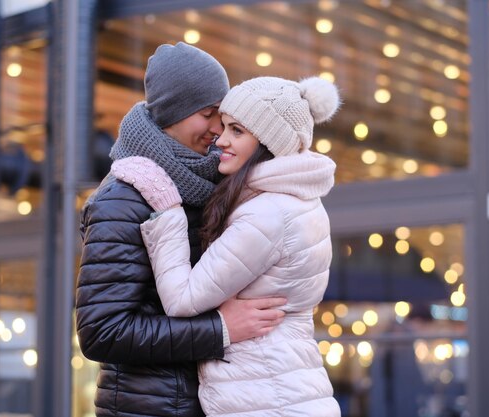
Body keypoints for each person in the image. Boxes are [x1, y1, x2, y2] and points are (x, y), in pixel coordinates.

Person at [75, 43, 286, 417]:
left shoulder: (209, 185)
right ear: (174, 111)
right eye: (208, 114)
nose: (217, 129)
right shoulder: (122, 199)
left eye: (222, 117)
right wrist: (220, 329)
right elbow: (102, 331)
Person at [111, 75, 343, 416]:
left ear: (268, 141)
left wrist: (167, 210)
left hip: (265, 398)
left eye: (237, 130)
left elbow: (182, 298)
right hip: (283, 390)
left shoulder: (266, 214)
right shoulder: (297, 201)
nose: (221, 140)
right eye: (223, 127)